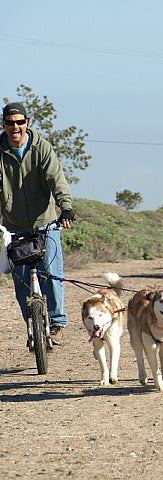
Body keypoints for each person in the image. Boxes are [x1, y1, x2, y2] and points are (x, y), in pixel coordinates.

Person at [0, 102, 75, 345]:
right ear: (4, 124)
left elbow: (57, 180)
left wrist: (65, 207)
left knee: (52, 274)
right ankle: (32, 323)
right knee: (21, 280)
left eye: (19, 122)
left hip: (45, 221)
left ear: (27, 123)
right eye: (10, 123)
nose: (15, 127)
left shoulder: (41, 147)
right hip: (14, 225)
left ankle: (57, 322)